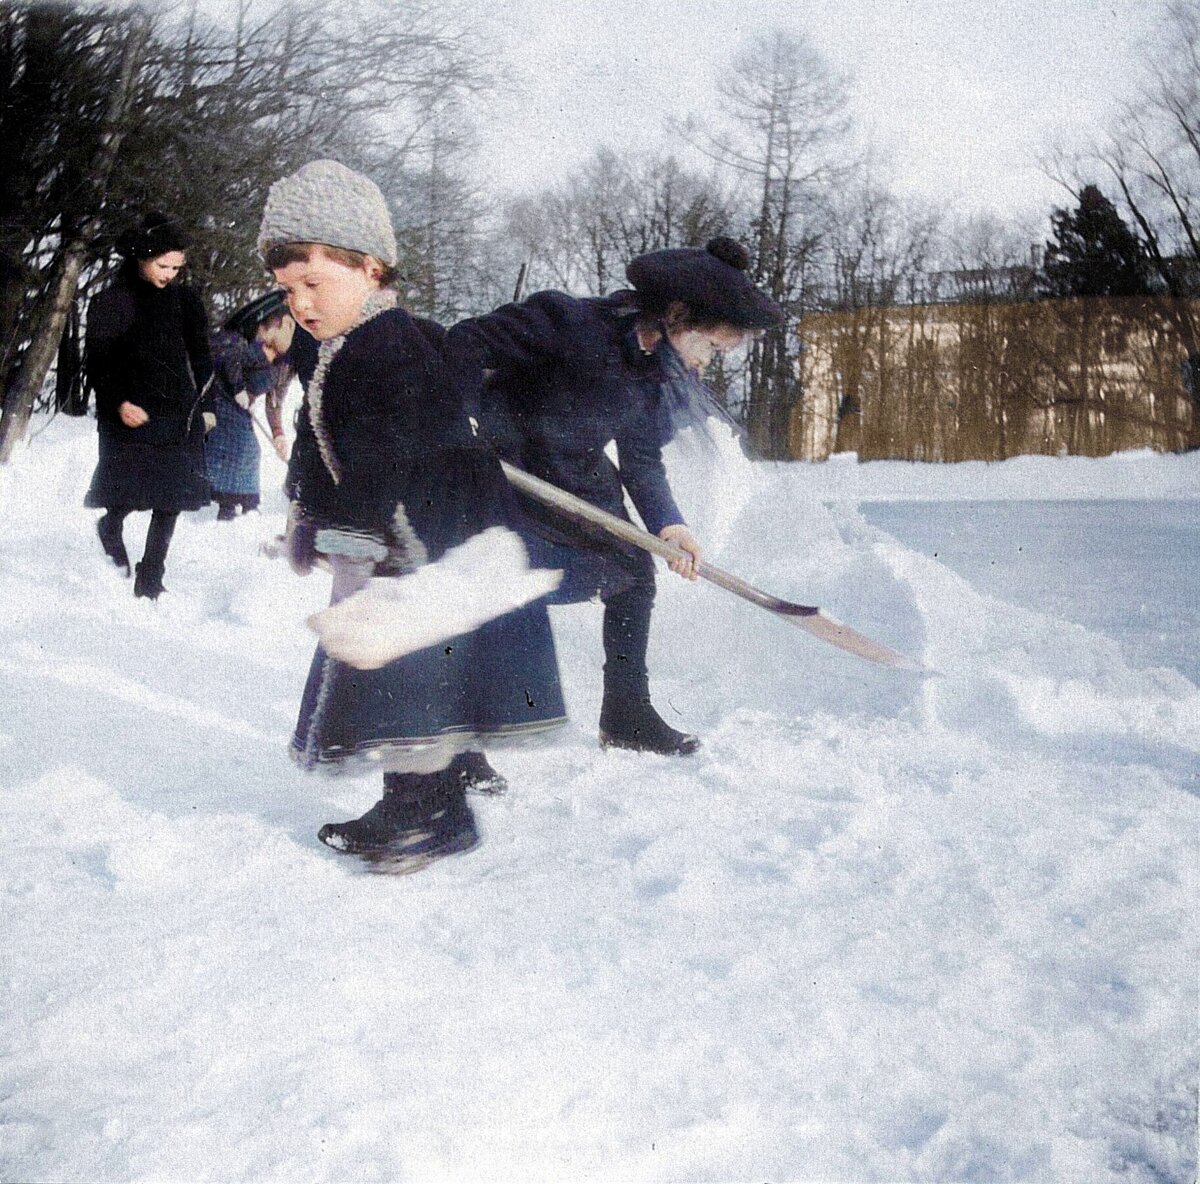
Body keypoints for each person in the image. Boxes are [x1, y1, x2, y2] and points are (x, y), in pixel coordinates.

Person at [259, 159, 566, 870]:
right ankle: (452, 775)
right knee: (423, 668)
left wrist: (371, 537)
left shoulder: (393, 347)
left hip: (427, 534)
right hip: (407, 529)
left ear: (370, 269)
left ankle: (426, 813)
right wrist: (307, 509)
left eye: (315, 282)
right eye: (287, 289)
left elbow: (392, 457)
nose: (301, 302)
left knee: (403, 675)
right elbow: (318, 435)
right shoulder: (334, 345)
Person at [449, 237, 782, 756]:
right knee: (496, 584)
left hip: (576, 478)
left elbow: (642, 459)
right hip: (498, 472)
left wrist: (670, 525)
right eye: (712, 347)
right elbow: (464, 344)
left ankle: (626, 714)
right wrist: (461, 418)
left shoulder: (657, 375)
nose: (708, 363)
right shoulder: (569, 323)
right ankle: (459, 742)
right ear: (676, 315)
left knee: (632, 570)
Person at [85, 212, 215, 599]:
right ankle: (112, 525)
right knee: (130, 489)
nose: (170, 274)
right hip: (127, 410)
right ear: (141, 258)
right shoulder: (112, 302)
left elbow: (202, 356)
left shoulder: (185, 301)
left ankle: (151, 574)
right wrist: (118, 401)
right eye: (163, 265)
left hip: (176, 408)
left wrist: (207, 404)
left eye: (177, 267)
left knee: (171, 496)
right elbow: (99, 360)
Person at [206, 290, 294, 519]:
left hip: (241, 410)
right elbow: (228, 360)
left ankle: (246, 502)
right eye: (264, 330)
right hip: (222, 402)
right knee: (239, 449)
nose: (264, 336)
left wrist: (278, 434)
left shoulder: (283, 365)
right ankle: (228, 504)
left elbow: (275, 400)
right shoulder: (248, 346)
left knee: (251, 451)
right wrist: (238, 390)